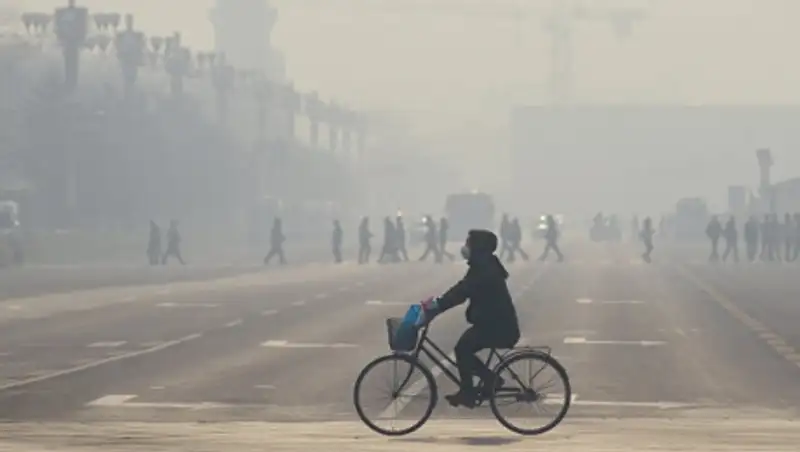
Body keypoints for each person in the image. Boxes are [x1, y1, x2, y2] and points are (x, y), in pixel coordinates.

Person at [424, 229, 521, 408]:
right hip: (492, 324)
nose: (466, 247)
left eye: (469, 243)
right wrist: (439, 304)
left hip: (499, 328)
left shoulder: (484, 270)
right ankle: (484, 383)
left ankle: (474, 389)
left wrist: (438, 306)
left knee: (463, 349)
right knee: (464, 348)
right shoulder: (483, 266)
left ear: (478, 247)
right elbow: (461, 288)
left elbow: (463, 292)